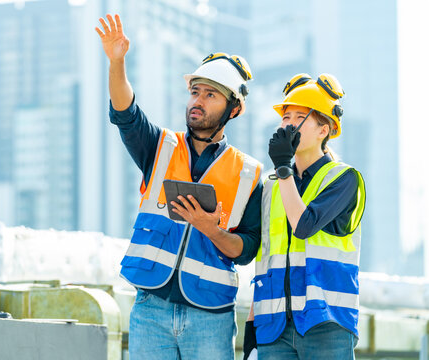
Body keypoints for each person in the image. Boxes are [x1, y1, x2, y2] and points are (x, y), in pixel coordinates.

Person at [95, 14, 263, 360]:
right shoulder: (159, 147)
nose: (197, 101)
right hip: (150, 308)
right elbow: (126, 112)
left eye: (211, 95)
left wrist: (211, 230)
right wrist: (117, 62)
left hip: (210, 315)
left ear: (234, 108)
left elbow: (247, 249)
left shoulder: (249, 174)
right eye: (195, 92)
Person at [247, 73, 366, 360]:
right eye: (285, 116)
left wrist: (284, 167)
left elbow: (303, 225)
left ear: (323, 130)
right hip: (273, 327)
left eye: (299, 116)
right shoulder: (271, 185)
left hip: (326, 324)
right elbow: (265, 260)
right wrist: (251, 326)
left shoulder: (343, 179)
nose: (287, 124)